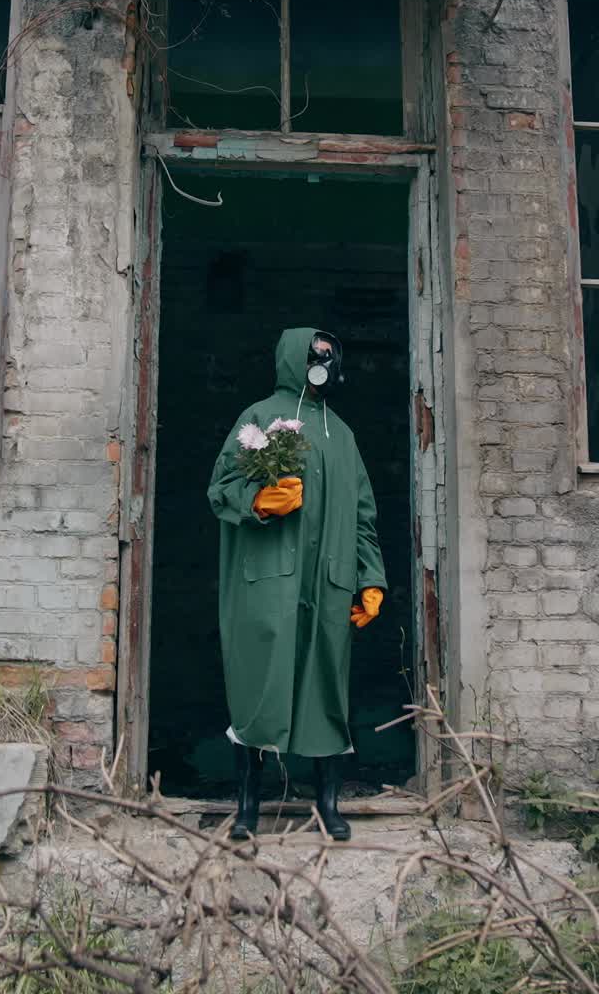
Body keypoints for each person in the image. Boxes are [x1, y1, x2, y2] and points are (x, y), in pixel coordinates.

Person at [207, 327, 387, 841]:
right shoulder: (259, 416)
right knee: (259, 685)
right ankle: (247, 807)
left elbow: (363, 517)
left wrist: (370, 579)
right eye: (316, 355)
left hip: (328, 582)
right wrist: (258, 500)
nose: (325, 364)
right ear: (294, 358)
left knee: (325, 686)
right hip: (267, 583)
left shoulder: (343, 436)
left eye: (332, 356)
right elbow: (220, 488)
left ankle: (328, 804)